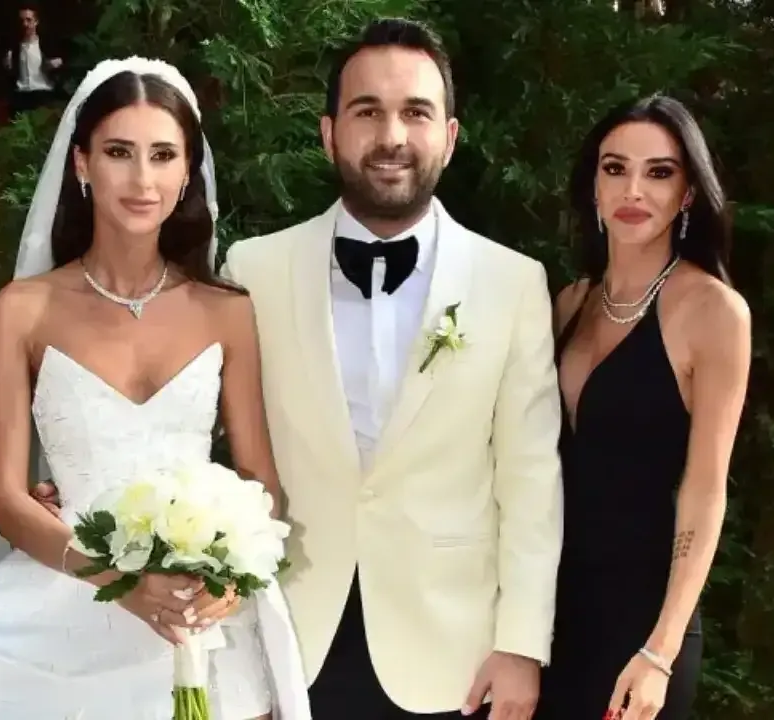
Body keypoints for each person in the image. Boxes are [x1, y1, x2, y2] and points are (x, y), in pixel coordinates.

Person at [36, 17, 564, 720]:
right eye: (367, 111)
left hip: (456, 658)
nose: (392, 136)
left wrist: (522, 645)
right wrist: (89, 499)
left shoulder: (514, 282)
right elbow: (195, 425)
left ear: (449, 135)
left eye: (415, 112)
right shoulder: (254, 271)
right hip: (286, 641)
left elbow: (531, 482)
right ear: (328, 132)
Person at [0, 57, 312, 720]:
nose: (143, 179)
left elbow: (260, 481)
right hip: (65, 602)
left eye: (163, 155)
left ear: (187, 172)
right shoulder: (22, 309)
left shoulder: (227, 311)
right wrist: (120, 582)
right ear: (82, 164)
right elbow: (6, 497)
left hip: (198, 618)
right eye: (120, 152)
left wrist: (231, 583)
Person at [534, 95, 750, 720]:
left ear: (688, 193)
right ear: (593, 186)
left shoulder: (713, 312)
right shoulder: (568, 303)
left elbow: (706, 490)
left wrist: (661, 650)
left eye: (659, 172)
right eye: (615, 168)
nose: (633, 189)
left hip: (642, 630)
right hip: (549, 619)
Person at [4, 3, 64, 114]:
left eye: (28, 20)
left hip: (43, 94)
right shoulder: (14, 48)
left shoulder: (47, 45)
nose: (25, 24)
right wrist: (8, 66)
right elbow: (11, 73)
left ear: (36, 22)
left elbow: (62, 63)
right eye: (22, 21)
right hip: (21, 95)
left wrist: (57, 64)